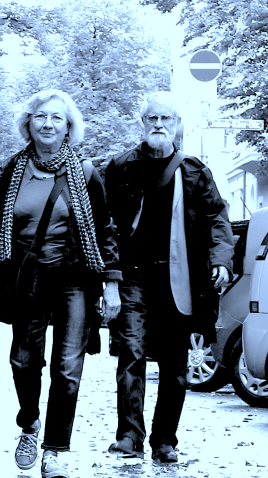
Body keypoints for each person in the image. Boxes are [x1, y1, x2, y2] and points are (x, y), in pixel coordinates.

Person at [0, 89, 121, 478]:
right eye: (40, 117)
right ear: (28, 124)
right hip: (25, 277)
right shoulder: (12, 170)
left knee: (67, 366)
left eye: (57, 117)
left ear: (69, 126)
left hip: (74, 278)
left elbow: (104, 230)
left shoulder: (85, 173)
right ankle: (30, 424)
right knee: (23, 361)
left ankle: (54, 450)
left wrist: (112, 283)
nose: (48, 123)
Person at [104, 91, 234, 463]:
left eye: (166, 119)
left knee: (175, 365)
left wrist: (221, 259)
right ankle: (129, 436)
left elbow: (216, 219)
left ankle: (165, 440)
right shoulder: (121, 166)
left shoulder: (194, 170)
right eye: (152, 119)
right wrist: (110, 277)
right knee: (131, 354)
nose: (159, 125)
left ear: (177, 125)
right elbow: (107, 225)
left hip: (181, 281)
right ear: (141, 123)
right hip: (133, 279)